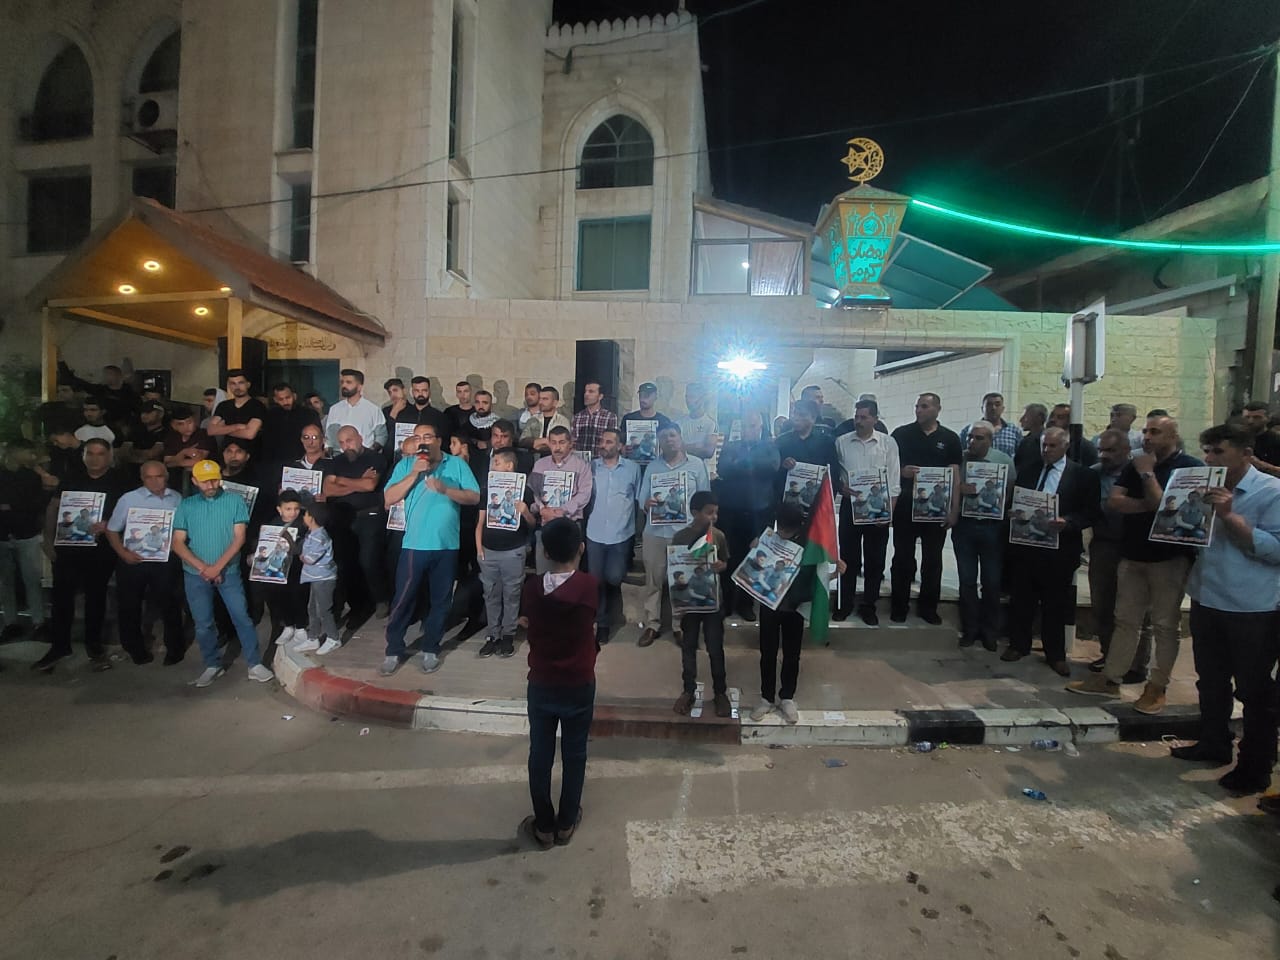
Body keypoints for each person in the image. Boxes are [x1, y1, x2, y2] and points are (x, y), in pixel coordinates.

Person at [1170, 422, 1280, 796]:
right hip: (1207, 597)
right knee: (1211, 680)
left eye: (1219, 451)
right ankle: (1213, 743)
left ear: (1246, 454)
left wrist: (1230, 517)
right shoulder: (1203, 487)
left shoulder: (1270, 491)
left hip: (1251, 608)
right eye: (1207, 451)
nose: (1209, 459)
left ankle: (1255, 767)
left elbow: (1276, 549)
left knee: (1254, 690)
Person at [1067, 415, 1202, 711]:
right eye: (1145, 431)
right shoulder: (1135, 464)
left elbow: (1172, 511)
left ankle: (1157, 686)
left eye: (1155, 431)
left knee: (1165, 624)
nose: (1148, 437)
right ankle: (1111, 678)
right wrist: (1153, 506)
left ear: (1173, 435)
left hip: (1169, 558)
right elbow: (1115, 501)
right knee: (1125, 620)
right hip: (1132, 554)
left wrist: (1148, 476)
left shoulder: (1189, 468)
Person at [519, 517, 598, 850]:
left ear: (546, 552)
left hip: (542, 681)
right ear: (581, 548)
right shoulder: (589, 586)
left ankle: (544, 826)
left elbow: (527, 621)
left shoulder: (532, 588)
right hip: (578, 681)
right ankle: (566, 823)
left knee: (540, 753)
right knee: (575, 753)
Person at [379, 423, 481, 676]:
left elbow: (474, 497)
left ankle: (430, 648)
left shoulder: (456, 464)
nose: (422, 441)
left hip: (447, 545)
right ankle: (393, 649)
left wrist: (446, 489)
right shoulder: (406, 465)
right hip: (414, 544)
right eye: (417, 437)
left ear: (438, 440)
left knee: (441, 600)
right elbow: (389, 498)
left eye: (427, 436)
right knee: (403, 599)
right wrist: (414, 473)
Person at [1003, 428, 1100, 675]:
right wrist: (1014, 512)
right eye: (1044, 445)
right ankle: (1018, 644)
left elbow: (1090, 513)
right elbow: (1017, 499)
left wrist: (1068, 522)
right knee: (1021, 599)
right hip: (1026, 546)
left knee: (1055, 603)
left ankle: (1055, 654)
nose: (1046, 450)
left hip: (1060, 550)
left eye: (1052, 446)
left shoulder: (1082, 475)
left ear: (1065, 446)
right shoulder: (1029, 470)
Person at [170, 460, 274, 687]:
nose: (211, 485)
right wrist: (203, 568)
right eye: (205, 481)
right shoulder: (186, 505)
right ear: (194, 481)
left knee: (241, 617)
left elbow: (239, 538)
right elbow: (177, 542)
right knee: (203, 623)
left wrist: (217, 567)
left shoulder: (234, 501)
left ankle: (254, 664)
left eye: (214, 480)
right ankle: (212, 664)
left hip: (229, 572)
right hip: (195, 574)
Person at [34, 439, 129, 673]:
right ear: (83, 455)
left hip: (101, 550)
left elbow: (130, 513)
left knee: (96, 599)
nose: (95, 458)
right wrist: (48, 539)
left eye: (100, 453)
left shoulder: (120, 481)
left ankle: (94, 647)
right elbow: (53, 508)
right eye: (90, 453)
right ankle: (59, 646)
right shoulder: (71, 478)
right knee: (61, 599)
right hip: (68, 548)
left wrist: (109, 524)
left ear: (109, 456)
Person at [890, 393, 962, 624]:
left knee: (933, 560)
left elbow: (955, 476)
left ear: (937, 409)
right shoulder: (901, 434)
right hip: (905, 508)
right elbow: (888, 467)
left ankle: (929, 608)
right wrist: (902, 472)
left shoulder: (950, 438)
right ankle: (899, 606)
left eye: (924, 406)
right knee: (902, 558)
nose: (918, 410)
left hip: (935, 511)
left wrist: (954, 509)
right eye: (917, 406)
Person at [103, 460, 184, 666]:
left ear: (166, 476)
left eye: (159, 476)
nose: (155, 481)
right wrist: (122, 553)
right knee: (129, 605)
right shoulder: (128, 499)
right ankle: (135, 649)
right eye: (149, 477)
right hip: (133, 560)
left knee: (170, 604)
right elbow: (111, 529)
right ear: (142, 478)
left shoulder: (176, 498)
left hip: (164, 561)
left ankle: (175, 649)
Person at [1086, 429, 1151, 681]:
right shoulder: (1093, 474)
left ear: (1126, 450)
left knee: (1134, 609)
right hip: (1103, 545)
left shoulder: (1138, 474)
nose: (1104, 455)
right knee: (1102, 605)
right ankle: (1109, 655)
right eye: (1101, 450)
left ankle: (1136, 665)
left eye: (1111, 450)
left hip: (1134, 546)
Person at [748, 502, 821, 725]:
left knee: (792, 654)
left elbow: (818, 577)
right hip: (769, 605)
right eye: (780, 527)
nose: (782, 533)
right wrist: (754, 550)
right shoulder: (769, 538)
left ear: (799, 527)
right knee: (767, 652)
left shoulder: (810, 545)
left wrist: (834, 570)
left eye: (787, 530)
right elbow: (754, 569)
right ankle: (766, 697)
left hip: (794, 608)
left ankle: (787, 697)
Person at [637, 424, 710, 645]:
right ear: (659, 442)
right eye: (663, 437)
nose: (669, 440)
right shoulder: (652, 466)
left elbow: (705, 499)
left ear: (680, 437)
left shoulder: (696, 465)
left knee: (682, 580)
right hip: (655, 532)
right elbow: (642, 499)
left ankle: (680, 626)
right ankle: (652, 624)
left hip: (685, 534)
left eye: (672, 435)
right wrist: (647, 504)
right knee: (654, 580)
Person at [835, 399, 899, 625]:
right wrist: (841, 487)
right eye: (856, 417)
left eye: (864, 417)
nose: (859, 421)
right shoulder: (842, 442)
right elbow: (835, 475)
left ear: (875, 419)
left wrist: (889, 513)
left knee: (875, 560)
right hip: (850, 506)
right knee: (847, 558)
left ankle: (869, 606)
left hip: (878, 508)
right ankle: (844, 604)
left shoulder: (888, 443)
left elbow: (894, 480)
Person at [951, 420, 1012, 648]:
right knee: (967, 581)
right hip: (965, 526)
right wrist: (959, 489)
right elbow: (949, 487)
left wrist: (999, 501)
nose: (972, 442)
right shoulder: (960, 460)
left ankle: (990, 632)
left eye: (979, 438)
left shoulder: (1004, 461)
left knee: (991, 582)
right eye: (970, 437)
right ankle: (970, 630)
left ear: (990, 440)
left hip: (992, 527)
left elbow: (1011, 490)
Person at [670, 491, 731, 717]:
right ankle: (688, 690)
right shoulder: (680, 537)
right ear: (695, 512)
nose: (714, 517)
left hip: (713, 602)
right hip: (689, 604)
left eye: (716, 513)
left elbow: (725, 561)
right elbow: (674, 567)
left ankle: (720, 692)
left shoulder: (718, 536)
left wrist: (721, 566)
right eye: (709, 512)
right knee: (688, 646)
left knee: (715, 648)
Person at [714, 411, 779, 621]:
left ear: (760, 427)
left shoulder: (770, 446)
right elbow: (723, 469)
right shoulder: (731, 446)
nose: (747, 430)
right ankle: (727, 602)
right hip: (730, 511)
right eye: (744, 426)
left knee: (753, 558)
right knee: (728, 556)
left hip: (758, 512)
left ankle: (746, 604)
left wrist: (739, 464)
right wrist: (751, 466)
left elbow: (771, 467)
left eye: (751, 426)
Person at [320, 425, 386, 622]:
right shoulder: (336, 461)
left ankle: (381, 598)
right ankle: (356, 605)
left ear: (360, 438)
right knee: (345, 563)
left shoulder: (374, 458)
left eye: (349, 441)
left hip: (369, 515)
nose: (345, 446)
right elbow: (328, 490)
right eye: (341, 442)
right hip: (342, 517)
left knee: (368, 560)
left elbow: (370, 485)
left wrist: (341, 480)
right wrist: (357, 483)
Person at [475, 448, 534, 659]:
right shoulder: (487, 489)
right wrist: (479, 547)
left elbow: (532, 524)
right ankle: (493, 635)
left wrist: (525, 511)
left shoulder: (525, 491)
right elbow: (480, 521)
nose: (493, 466)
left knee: (511, 594)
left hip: (513, 551)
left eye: (497, 462)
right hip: (489, 551)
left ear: (509, 466)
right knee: (491, 594)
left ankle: (508, 634)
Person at [585, 428, 641, 645]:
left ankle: (610, 610)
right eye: (602, 441)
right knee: (596, 580)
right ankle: (602, 624)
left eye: (609, 442)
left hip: (621, 533)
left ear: (619, 446)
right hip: (595, 532)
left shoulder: (632, 469)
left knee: (614, 577)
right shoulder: (591, 467)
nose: (603, 445)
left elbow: (637, 499)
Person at [0, 441, 48, 641]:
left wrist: (10, 506)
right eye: (29, 452)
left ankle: (38, 621)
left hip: (26, 533)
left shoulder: (31, 476)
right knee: (6, 581)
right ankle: (10, 622)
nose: (32, 456)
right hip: (3, 534)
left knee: (32, 580)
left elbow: (36, 504)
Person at [529, 426, 593, 573]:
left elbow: (584, 494)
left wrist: (562, 511)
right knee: (544, 571)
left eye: (562, 442)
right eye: (553, 442)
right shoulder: (540, 464)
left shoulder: (581, 466)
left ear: (570, 444)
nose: (557, 447)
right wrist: (543, 509)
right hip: (546, 523)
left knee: (568, 572)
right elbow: (535, 492)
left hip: (570, 524)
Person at [259, 490, 309, 657]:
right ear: (279, 509)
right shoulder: (272, 524)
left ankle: (301, 627)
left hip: (297, 569)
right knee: (280, 597)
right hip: (278, 570)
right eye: (288, 509)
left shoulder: (303, 524)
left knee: (298, 596)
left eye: (296, 508)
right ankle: (288, 625)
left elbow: (304, 546)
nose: (293, 512)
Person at [295, 501, 341, 656]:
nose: (303, 516)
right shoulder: (312, 534)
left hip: (324, 579)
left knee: (324, 610)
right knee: (312, 608)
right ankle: (313, 637)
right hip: (315, 578)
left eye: (306, 514)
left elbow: (310, 558)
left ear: (312, 518)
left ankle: (333, 638)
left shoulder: (319, 536)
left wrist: (301, 556)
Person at [775, 399, 840, 506]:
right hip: (787, 503)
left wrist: (827, 501)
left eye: (802, 415)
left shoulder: (826, 442)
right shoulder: (781, 441)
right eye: (795, 414)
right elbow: (773, 473)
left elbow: (834, 474)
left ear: (813, 418)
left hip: (818, 503)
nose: (796, 418)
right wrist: (783, 465)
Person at [206, 369, 267, 458]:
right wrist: (237, 426)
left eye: (240, 383)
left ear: (248, 384)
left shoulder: (257, 406)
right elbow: (211, 430)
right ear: (229, 386)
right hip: (227, 454)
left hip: (251, 454)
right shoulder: (223, 406)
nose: (237, 387)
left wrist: (223, 429)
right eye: (233, 383)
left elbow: (249, 434)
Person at [325, 369, 388, 453]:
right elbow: (329, 436)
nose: (344, 385)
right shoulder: (334, 409)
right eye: (342, 382)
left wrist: (370, 453)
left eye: (348, 382)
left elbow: (381, 436)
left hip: (364, 456)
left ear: (359, 387)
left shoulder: (373, 409)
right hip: (340, 456)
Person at [261, 382, 322, 465]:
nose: (285, 402)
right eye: (281, 399)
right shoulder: (271, 415)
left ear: (294, 396)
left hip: (303, 461)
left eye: (288, 397)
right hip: (277, 462)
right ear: (275, 399)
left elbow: (318, 437)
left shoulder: (309, 414)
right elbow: (267, 442)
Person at [163, 405, 213, 491]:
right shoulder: (171, 437)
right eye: (180, 424)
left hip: (202, 480)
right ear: (173, 425)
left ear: (195, 421)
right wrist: (184, 452)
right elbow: (167, 462)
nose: (186, 427)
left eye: (189, 422)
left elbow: (197, 461)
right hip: (175, 480)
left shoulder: (203, 434)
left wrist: (175, 461)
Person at [621, 382, 675, 461]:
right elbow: (620, 443)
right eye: (641, 395)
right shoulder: (628, 418)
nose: (642, 399)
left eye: (647, 395)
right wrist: (624, 449)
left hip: (656, 464)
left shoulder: (664, 421)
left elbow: (669, 445)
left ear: (655, 396)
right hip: (631, 463)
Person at [957, 393, 1022, 458]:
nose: (993, 408)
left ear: (1002, 409)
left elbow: (1020, 456)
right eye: (989, 404)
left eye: (997, 405)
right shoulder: (968, 430)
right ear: (982, 409)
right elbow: (959, 454)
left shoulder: (1014, 431)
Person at [571, 380, 619, 458]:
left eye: (591, 392)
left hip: (601, 460)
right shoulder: (577, 417)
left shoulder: (610, 417)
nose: (586, 394)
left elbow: (613, 442)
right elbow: (573, 441)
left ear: (600, 396)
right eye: (585, 391)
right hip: (581, 460)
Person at [519, 386, 571, 454]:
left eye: (545, 399)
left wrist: (536, 445)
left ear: (555, 402)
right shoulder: (533, 419)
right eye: (540, 399)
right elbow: (522, 441)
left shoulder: (562, 421)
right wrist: (544, 441)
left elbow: (562, 445)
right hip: (534, 458)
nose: (540, 402)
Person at [675, 382, 718, 459]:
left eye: (692, 397)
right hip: (682, 466)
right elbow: (674, 449)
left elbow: (708, 452)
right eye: (686, 397)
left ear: (702, 399)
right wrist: (697, 446)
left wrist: (684, 447)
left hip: (701, 466)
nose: (688, 400)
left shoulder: (710, 424)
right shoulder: (679, 423)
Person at [121, 401, 169, 468]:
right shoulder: (136, 432)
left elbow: (152, 454)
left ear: (161, 414)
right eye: (142, 412)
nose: (144, 415)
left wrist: (133, 452)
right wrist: (144, 454)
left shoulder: (166, 433)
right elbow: (123, 453)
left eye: (149, 412)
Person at [1013, 403, 1048, 473]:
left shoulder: (1047, 440)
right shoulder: (1025, 441)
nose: (1021, 420)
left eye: (1025, 417)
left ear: (1039, 417)